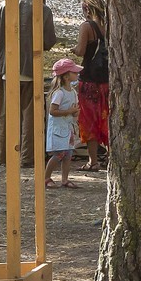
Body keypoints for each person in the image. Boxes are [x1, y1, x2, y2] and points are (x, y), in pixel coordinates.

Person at [0, 0, 58, 168]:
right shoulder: (44, 10)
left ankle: (3, 157)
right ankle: (26, 158)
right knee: (30, 117)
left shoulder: (4, 5)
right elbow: (49, 41)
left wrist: (5, 38)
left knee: (5, 115)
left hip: (7, 69)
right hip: (31, 68)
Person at [72, 0, 109, 171]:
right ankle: (110, 158)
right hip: (107, 79)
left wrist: (73, 49)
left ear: (87, 9)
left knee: (89, 120)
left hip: (89, 80)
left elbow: (81, 51)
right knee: (107, 117)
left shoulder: (87, 26)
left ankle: (93, 161)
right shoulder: (110, 25)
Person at [45, 58, 81, 189]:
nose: (77, 75)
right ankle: (46, 177)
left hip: (68, 127)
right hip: (58, 128)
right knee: (59, 154)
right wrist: (68, 111)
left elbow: (74, 109)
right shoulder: (59, 93)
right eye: (74, 72)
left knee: (68, 154)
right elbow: (52, 111)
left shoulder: (73, 92)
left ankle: (65, 179)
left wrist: (75, 113)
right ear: (66, 76)